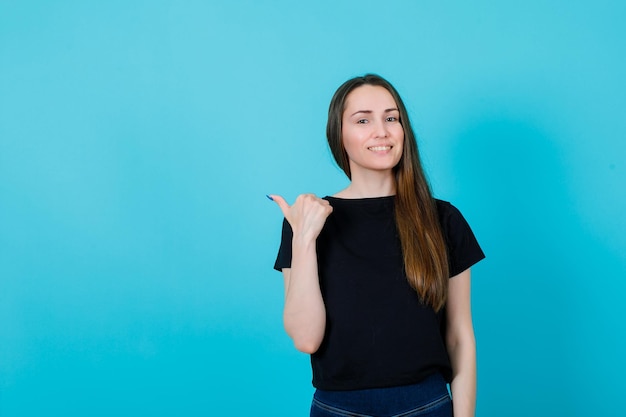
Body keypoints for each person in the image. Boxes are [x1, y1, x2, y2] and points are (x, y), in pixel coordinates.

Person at [269, 74, 485, 417]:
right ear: (338, 135)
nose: (381, 131)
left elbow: (459, 336)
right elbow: (306, 339)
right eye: (363, 120)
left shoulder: (442, 219)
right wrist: (305, 238)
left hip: (427, 405)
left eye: (391, 118)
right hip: (337, 408)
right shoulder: (306, 220)